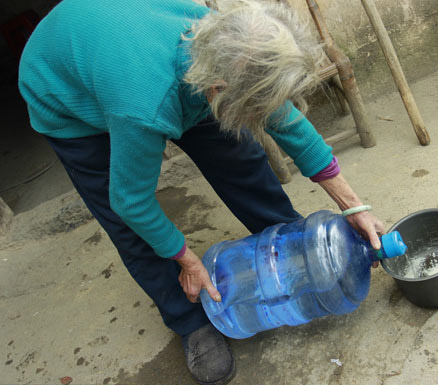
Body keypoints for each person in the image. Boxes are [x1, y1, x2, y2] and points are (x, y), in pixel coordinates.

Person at [18, 0, 385, 383]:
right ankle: (188, 318)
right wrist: (189, 262)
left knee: (240, 156)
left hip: (131, 50)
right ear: (218, 89)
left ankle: (290, 243)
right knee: (128, 220)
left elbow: (283, 119)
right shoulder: (144, 106)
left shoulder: (232, 44)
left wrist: (352, 206)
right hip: (62, 91)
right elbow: (131, 203)